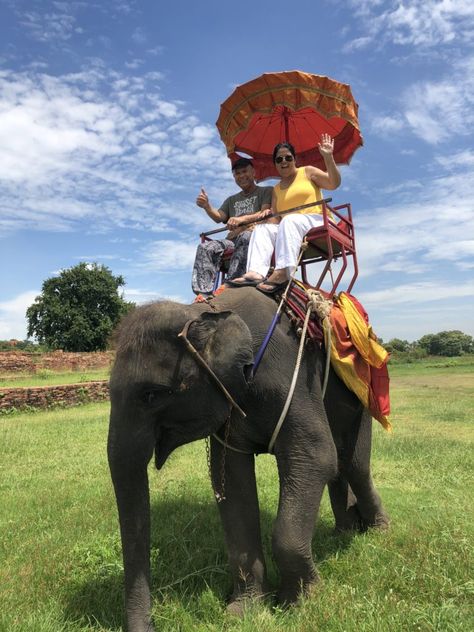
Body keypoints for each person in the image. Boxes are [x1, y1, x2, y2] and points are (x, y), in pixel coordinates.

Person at [228, 134, 341, 294]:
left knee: (289, 220)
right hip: (291, 226)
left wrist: (328, 157)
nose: (284, 162)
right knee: (263, 229)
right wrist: (260, 221)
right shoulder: (276, 189)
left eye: (288, 158)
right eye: (279, 159)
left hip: (317, 219)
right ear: (275, 164)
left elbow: (333, 183)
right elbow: (276, 220)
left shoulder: (307, 172)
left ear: (294, 159)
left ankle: (283, 272)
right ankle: (255, 272)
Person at [192, 157, 273, 296]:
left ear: (253, 172)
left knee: (245, 235)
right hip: (231, 240)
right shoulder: (231, 200)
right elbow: (219, 217)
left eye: (244, 171)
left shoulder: (266, 191)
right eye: (237, 174)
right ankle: (203, 293)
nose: (241, 176)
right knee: (205, 247)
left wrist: (241, 220)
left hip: (253, 236)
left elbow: (265, 213)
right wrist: (207, 206)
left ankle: (231, 284)